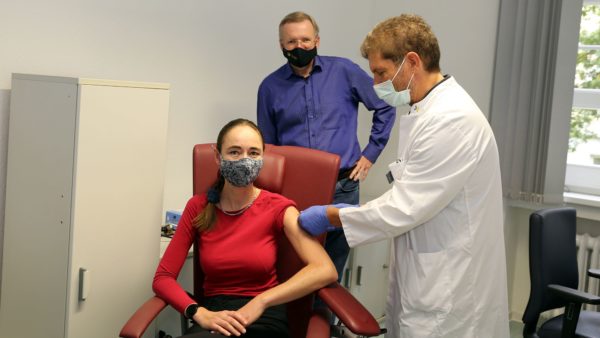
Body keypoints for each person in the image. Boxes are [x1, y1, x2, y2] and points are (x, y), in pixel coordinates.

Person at [299, 14, 510, 337]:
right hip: (426, 271)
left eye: (381, 72)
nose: (376, 84)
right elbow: (411, 195)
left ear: (412, 62)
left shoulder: (451, 119)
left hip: (450, 288)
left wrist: (332, 215)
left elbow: (404, 208)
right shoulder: (425, 110)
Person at [153, 118, 337, 338]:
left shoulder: (278, 207)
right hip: (215, 317)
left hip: (265, 318)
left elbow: (324, 268)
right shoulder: (198, 207)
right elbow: (163, 277)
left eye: (253, 153)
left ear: (262, 157)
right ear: (217, 157)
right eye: (234, 152)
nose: (244, 160)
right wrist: (198, 312)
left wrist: (262, 301)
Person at [257, 11, 396, 281]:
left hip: (342, 188)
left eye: (305, 40)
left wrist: (370, 154)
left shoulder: (344, 71)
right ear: (281, 45)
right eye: (291, 42)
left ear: (317, 40)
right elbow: (268, 148)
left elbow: (385, 105)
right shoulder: (270, 87)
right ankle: (296, 323)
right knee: (293, 263)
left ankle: (324, 323)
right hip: (294, 191)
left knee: (332, 268)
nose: (299, 47)